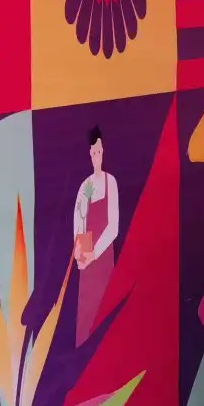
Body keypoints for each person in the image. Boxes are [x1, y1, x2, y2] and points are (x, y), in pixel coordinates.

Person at [72, 125, 121, 346]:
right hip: (88, 262)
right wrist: (80, 253)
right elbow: (79, 222)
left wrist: (95, 253)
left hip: (104, 257)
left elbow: (113, 227)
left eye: (99, 151)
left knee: (105, 309)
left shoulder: (111, 182)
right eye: (93, 153)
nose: (97, 156)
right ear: (89, 154)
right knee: (87, 314)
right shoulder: (85, 186)